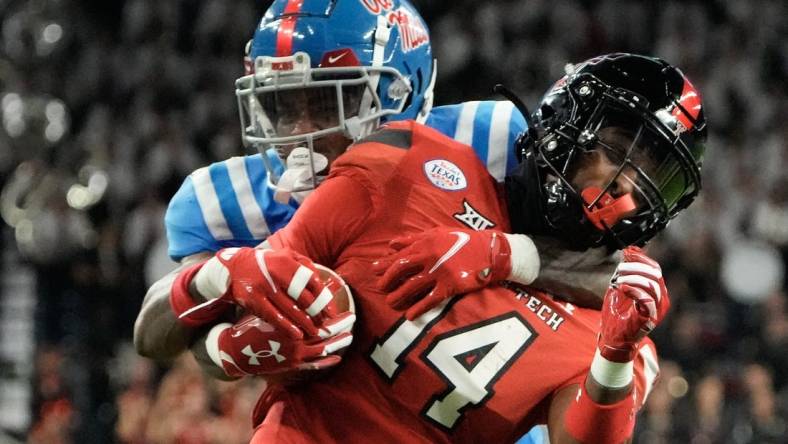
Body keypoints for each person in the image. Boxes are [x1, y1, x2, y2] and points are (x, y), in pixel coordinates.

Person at [182, 53, 707, 442]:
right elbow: (253, 294)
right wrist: (224, 320)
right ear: (563, 122)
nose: (627, 190)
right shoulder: (410, 159)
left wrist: (614, 356)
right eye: (616, 150)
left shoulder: (619, 324)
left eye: (654, 183)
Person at [134, 0, 614, 364]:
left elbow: (610, 274)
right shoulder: (225, 200)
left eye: (325, 104)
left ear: (401, 92)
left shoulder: (485, 143)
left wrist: (503, 256)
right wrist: (223, 316)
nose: (302, 132)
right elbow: (155, 336)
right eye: (283, 106)